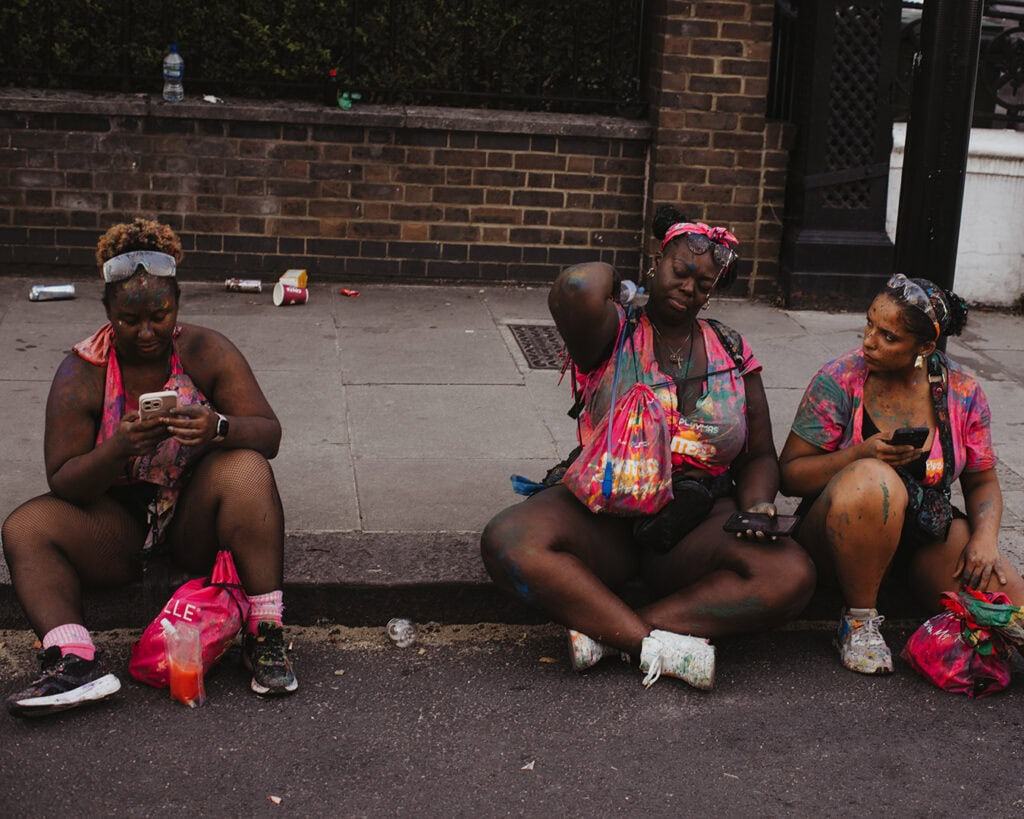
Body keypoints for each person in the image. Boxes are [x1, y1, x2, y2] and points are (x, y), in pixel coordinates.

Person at [480, 204, 815, 690]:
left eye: (704, 285)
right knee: (508, 539)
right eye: (680, 272)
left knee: (792, 574)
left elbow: (760, 454)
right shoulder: (611, 332)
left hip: (692, 523)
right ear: (657, 262)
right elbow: (576, 285)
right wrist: (623, 285)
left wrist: (760, 506)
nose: (689, 288)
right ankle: (649, 644)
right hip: (605, 513)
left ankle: (609, 629)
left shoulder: (731, 349)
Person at [2, 218, 298, 717]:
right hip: (118, 529)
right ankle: (73, 662)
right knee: (25, 526)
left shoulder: (206, 350)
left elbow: (269, 434)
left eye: (159, 315)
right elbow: (65, 482)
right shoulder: (82, 372)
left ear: (177, 305)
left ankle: (265, 634)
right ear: (107, 313)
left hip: (194, 523)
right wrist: (118, 447)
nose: (145, 331)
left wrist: (217, 428)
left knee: (246, 467)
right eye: (128, 319)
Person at [779, 274, 1024, 675]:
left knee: (1011, 605)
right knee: (875, 480)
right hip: (839, 531)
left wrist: (985, 537)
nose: (869, 341)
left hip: (925, 530)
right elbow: (788, 475)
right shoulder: (840, 378)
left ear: (925, 346)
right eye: (869, 325)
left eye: (888, 336)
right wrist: (859, 454)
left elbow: (982, 480)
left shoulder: (961, 390)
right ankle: (858, 621)